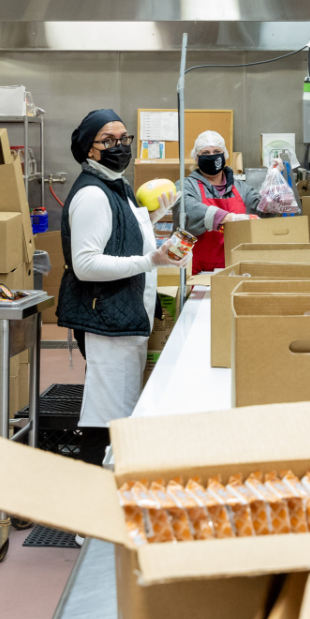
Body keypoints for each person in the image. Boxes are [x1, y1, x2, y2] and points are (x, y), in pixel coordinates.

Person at [57, 110, 189, 465]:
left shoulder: (116, 185)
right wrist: (153, 261)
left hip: (124, 315)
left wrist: (155, 219)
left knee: (121, 409)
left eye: (124, 139)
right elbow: (86, 266)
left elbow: (124, 238)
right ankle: (94, 498)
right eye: (109, 141)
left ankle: (112, 492)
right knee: (106, 416)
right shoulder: (93, 195)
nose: (120, 146)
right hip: (107, 320)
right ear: (89, 149)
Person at [178, 130, 262, 274]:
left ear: (224, 155)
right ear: (197, 158)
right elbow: (188, 208)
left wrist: (276, 189)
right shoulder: (186, 186)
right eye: (205, 153)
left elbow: (263, 209)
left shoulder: (241, 188)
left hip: (236, 269)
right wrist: (230, 218)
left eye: (217, 151)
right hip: (199, 272)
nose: (212, 156)